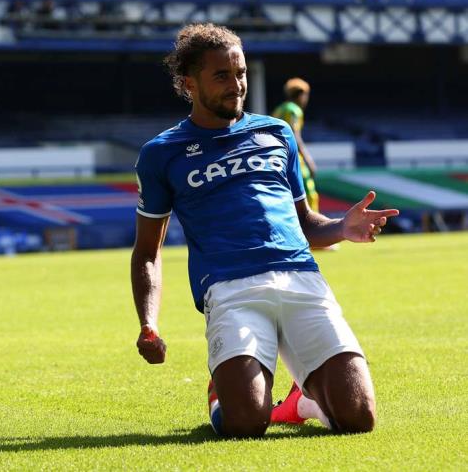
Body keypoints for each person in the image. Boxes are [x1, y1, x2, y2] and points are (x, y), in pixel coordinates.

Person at [131, 24, 399, 438]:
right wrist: (148, 323)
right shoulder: (161, 153)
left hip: (302, 279)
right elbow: (148, 252)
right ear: (189, 83)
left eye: (240, 73)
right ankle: (223, 390)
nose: (236, 85)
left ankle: (303, 401)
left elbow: (305, 223)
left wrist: (341, 227)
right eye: (222, 75)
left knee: (358, 418)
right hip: (230, 290)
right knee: (246, 423)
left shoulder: (276, 132)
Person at [272, 78, 319, 213]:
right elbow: (294, 136)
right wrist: (309, 161)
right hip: (293, 158)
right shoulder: (293, 110)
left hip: (278, 158)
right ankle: (312, 223)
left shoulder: (279, 109)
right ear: (301, 95)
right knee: (308, 192)